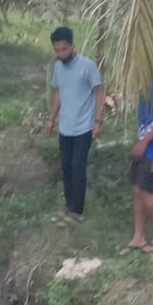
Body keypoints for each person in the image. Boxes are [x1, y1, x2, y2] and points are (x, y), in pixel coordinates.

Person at [44, 27, 104, 223]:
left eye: (64, 49)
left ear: (72, 46)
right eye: (57, 50)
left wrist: (98, 121)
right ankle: (69, 207)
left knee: (78, 166)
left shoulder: (87, 66)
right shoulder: (59, 67)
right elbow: (59, 93)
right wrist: (51, 119)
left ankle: (77, 212)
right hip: (65, 127)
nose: (60, 54)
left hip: (84, 126)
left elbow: (99, 92)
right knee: (67, 167)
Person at [120, 72, 153, 255]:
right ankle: (138, 237)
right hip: (144, 145)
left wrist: (145, 142)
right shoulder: (141, 83)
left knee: (145, 190)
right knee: (137, 189)